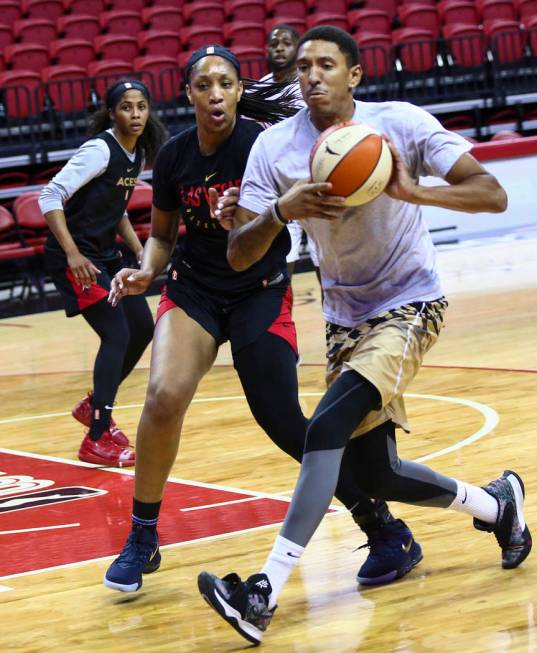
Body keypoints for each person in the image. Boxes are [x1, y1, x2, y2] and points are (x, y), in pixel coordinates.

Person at [197, 27, 532, 645]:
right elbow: (239, 253)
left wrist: (413, 191)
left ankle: (263, 593)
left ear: (355, 74)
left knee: (322, 428)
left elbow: (491, 191)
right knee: (377, 474)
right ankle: (497, 506)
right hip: (344, 318)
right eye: (303, 67)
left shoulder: (398, 122)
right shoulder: (274, 149)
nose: (312, 75)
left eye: (327, 64)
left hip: (410, 305)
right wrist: (280, 212)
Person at [103, 45, 424, 593]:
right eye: (203, 85)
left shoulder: (265, 144)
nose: (215, 94)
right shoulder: (176, 156)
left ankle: (383, 527)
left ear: (237, 91)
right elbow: (160, 235)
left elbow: (315, 195)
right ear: (189, 95)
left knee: (282, 419)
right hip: (195, 291)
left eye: (225, 83)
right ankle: (142, 536)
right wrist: (144, 270)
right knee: (161, 397)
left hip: (260, 291)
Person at [39, 79, 166, 467]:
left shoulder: (134, 153)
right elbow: (49, 195)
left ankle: (95, 405)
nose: (136, 114)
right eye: (127, 107)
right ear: (113, 112)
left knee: (142, 328)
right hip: (77, 260)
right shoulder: (99, 149)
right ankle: (96, 437)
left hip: (107, 256)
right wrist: (73, 253)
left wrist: (140, 250)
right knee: (116, 334)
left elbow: (117, 209)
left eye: (141, 107)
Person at [260, 23, 320, 280]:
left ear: (297, 49)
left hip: (316, 179)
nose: (279, 49)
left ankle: (338, 320)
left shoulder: (310, 84)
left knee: (326, 264)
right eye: (274, 44)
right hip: (280, 186)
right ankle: (283, 321)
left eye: (286, 43)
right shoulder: (259, 90)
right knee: (282, 267)